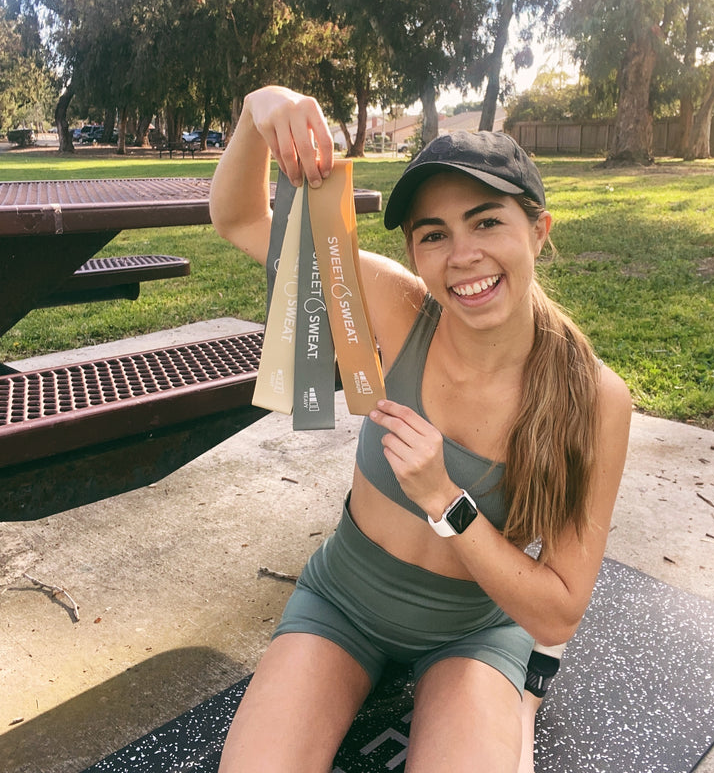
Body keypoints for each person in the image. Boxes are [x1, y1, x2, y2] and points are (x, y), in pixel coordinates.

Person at [209, 86, 631, 773]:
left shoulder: (594, 399)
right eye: (433, 233)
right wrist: (257, 110)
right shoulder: (395, 306)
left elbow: (556, 614)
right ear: (414, 249)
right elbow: (238, 220)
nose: (461, 254)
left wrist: (446, 501)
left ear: (539, 230)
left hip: (474, 631)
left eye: (486, 222)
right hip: (341, 603)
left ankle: (517, 700)